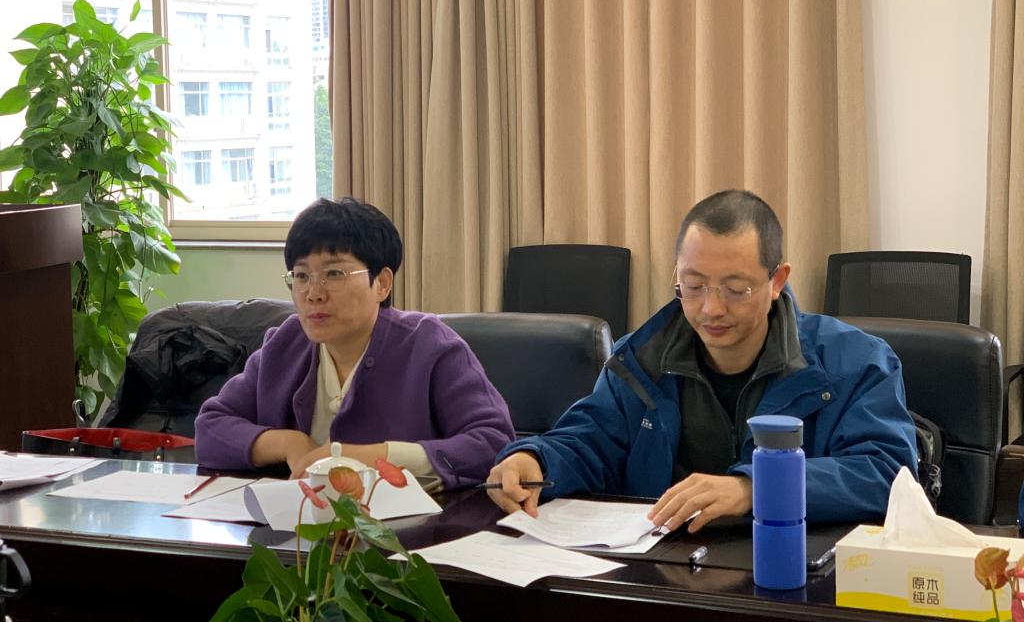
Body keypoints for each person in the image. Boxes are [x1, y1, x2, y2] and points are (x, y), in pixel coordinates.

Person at [486, 189, 917, 531]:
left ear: (777, 281)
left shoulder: (855, 363)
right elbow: (591, 441)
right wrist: (537, 460)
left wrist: (755, 488)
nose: (711, 309)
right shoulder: (640, 360)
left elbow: (888, 475)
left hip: (793, 572)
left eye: (735, 289)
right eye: (693, 286)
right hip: (664, 574)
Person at [195, 197, 515, 490]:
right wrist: (288, 443)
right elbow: (210, 429)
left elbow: (494, 443)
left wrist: (371, 457)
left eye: (334, 274)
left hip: (412, 526)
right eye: (302, 276)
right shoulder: (285, 343)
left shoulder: (430, 345)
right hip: (300, 523)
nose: (313, 293)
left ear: (382, 283)